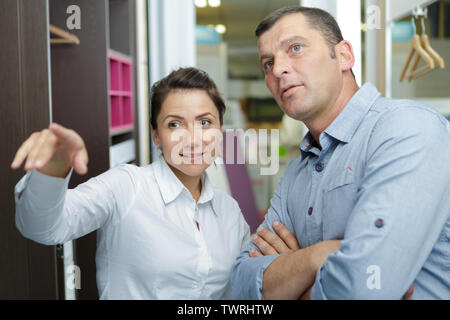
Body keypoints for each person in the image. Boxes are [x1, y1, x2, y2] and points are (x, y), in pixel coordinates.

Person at [231, 6, 450, 300]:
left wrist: (294, 280)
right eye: (268, 63)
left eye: (295, 48)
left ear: (344, 55)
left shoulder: (406, 128)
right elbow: (242, 284)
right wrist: (316, 256)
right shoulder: (297, 171)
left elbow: (364, 288)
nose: (278, 69)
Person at [11, 67, 250, 299]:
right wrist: (53, 167)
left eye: (205, 122)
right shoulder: (126, 187)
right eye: (175, 124)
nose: (193, 139)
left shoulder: (230, 212)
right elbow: (42, 227)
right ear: (156, 135)